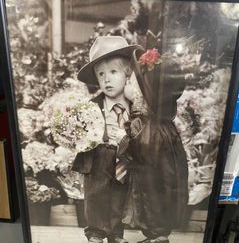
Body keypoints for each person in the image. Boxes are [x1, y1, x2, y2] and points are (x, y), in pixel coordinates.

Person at [72, 36, 143, 243]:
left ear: (127, 74)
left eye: (113, 72)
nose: (107, 79)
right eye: (101, 74)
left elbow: (143, 132)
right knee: (96, 195)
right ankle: (95, 232)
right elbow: (79, 131)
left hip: (124, 159)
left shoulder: (135, 107)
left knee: (119, 197)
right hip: (98, 159)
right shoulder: (92, 106)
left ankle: (115, 233)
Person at [122, 48, 189, 243]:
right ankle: (156, 233)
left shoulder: (150, 127)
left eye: (132, 82)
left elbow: (138, 149)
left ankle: (158, 233)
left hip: (153, 168)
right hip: (157, 166)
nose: (128, 84)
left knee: (154, 189)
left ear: (144, 91)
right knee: (156, 188)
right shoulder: (162, 126)